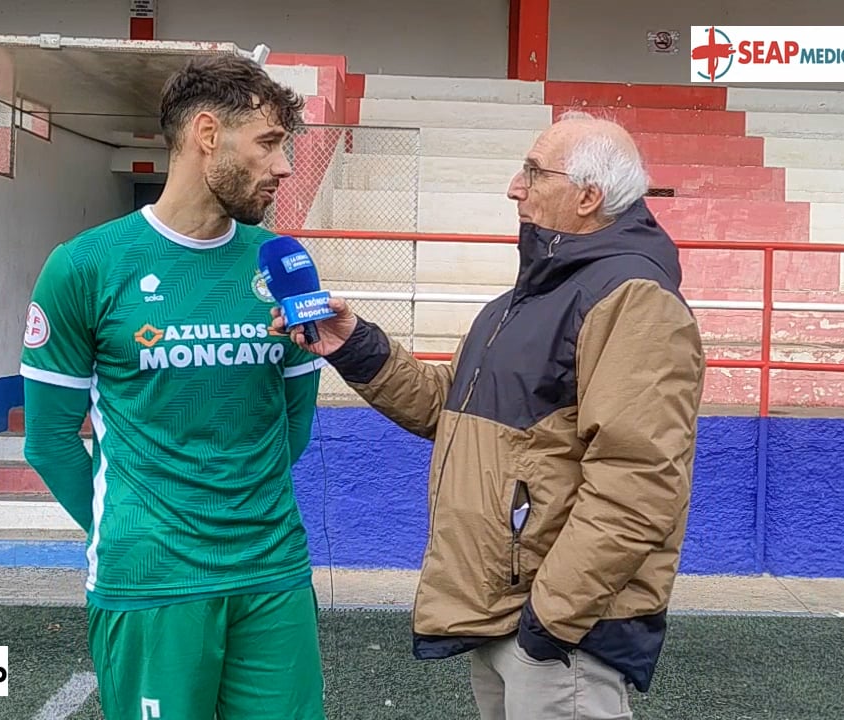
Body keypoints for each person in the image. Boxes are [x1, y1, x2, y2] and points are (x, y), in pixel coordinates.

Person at [273, 111, 706, 719]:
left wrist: (552, 620)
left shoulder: (632, 298)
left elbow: (640, 483)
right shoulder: (524, 300)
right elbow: (444, 408)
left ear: (588, 197)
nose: (514, 186)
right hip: (506, 614)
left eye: (533, 171)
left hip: (558, 633)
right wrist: (354, 345)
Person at [19, 52, 328, 719]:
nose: (284, 166)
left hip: (272, 573)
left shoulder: (283, 265)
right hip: (150, 580)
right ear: (208, 135)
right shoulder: (85, 267)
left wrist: (232, 512)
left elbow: (294, 422)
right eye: (270, 143)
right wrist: (134, 529)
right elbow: (47, 439)